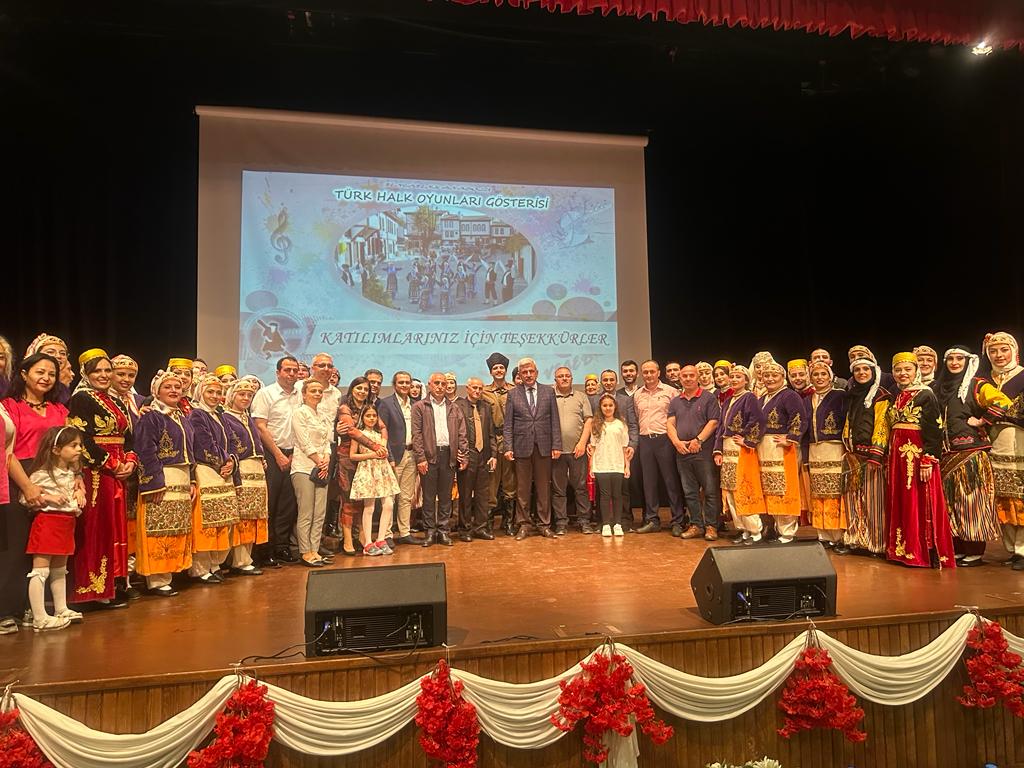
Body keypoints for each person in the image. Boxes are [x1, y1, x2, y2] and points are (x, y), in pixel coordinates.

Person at [66, 349, 137, 607]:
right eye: (97, 371)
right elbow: (81, 438)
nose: (104, 375)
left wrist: (130, 460)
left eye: (108, 370)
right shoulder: (81, 399)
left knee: (114, 528)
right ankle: (92, 590)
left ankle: (113, 584)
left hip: (117, 473)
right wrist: (112, 463)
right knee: (96, 528)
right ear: (86, 373)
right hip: (95, 473)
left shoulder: (114, 400)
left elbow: (128, 438)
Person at [1, 353, 65, 630]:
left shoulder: (59, 409)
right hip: (18, 476)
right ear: (24, 374)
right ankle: (6, 610)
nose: (46, 378)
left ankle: (34, 607)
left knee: (43, 548)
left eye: (51, 374)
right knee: (16, 547)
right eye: (40, 372)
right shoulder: (10, 406)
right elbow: (7, 451)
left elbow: (69, 447)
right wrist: (27, 486)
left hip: (53, 479)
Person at [935, 345, 1009, 567]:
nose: (955, 363)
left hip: (970, 452)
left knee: (971, 502)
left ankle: (975, 551)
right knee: (951, 504)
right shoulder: (940, 387)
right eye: (951, 359)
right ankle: (958, 548)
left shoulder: (977, 384)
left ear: (968, 361)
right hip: (946, 453)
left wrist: (982, 420)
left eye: (960, 358)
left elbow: (1003, 402)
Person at [884, 352, 956, 568]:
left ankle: (920, 552)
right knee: (900, 500)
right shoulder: (897, 395)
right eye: (898, 370)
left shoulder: (926, 394)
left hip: (916, 455)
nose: (902, 374)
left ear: (916, 371)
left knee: (917, 499)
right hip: (897, 456)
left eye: (907, 369)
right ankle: (901, 550)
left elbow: (935, 429)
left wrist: (928, 459)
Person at [134, 370, 195, 596]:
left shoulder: (182, 418)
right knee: (159, 529)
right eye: (168, 387)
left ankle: (170, 573)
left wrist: (192, 480)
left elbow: (190, 452)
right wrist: (154, 483)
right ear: (156, 391)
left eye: (177, 387)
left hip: (181, 479)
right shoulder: (151, 417)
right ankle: (157, 579)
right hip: (162, 479)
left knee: (176, 528)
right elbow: (145, 450)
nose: (174, 390)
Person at [23, 425, 86, 631]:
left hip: (66, 523)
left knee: (59, 569)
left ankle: (61, 608)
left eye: (80, 445)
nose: (79, 449)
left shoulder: (72, 474)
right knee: (40, 570)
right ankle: (39, 617)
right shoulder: (42, 474)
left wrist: (79, 494)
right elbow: (25, 497)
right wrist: (48, 497)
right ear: (56, 449)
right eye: (73, 445)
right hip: (48, 522)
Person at [187, 375, 240, 583]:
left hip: (223, 473)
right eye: (210, 392)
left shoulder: (220, 415)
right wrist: (223, 461)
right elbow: (203, 444)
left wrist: (232, 461)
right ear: (201, 392)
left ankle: (216, 563)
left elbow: (232, 442)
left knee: (223, 520)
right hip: (206, 471)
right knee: (207, 522)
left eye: (219, 392)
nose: (215, 396)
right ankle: (201, 568)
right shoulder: (197, 415)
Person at [251, 356, 301, 565]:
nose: (291, 374)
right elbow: (260, 426)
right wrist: (278, 454)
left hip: (295, 454)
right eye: (287, 370)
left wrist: (293, 453)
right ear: (278, 372)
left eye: (295, 370)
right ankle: (265, 550)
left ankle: (282, 547)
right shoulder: (266, 394)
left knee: (288, 505)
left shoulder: (301, 394)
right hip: (272, 454)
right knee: (270, 503)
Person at [503, 358, 561, 540]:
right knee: (523, 489)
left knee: (544, 488)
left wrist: (556, 445)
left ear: (536, 372)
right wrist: (508, 447)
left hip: (544, 446)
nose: (528, 375)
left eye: (531, 371)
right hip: (521, 447)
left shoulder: (548, 392)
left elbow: (555, 420)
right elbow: (508, 424)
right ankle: (524, 524)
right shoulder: (513, 394)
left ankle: (544, 525)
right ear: (519, 375)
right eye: (524, 372)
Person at [841, 355, 892, 556]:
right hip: (853, 454)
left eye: (865, 369)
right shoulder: (852, 394)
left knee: (874, 502)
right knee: (854, 501)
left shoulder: (881, 395)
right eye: (857, 370)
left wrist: (876, 453)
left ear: (873, 372)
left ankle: (876, 544)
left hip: (872, 455)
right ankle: (855, 540)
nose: (861, 373)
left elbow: (882, 425)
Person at [982, 331, 1024, 570]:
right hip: (993, 441)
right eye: (993, 351)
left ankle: (1022, 549)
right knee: (1002, 494)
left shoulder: (1022, 376)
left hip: (1019, 439)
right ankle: (1012, 548)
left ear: (1014, 351)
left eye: (1004, 350)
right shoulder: (985, 380)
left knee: (1020, 494)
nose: (999, 355)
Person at [412, 372, 468, 546]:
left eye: (443, 384)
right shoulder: (420, 407)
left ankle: (443, 531)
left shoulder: (454, 407)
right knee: (429, 497)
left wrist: (463, 454)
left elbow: (462, 433)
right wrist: (420, 458)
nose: (440, 387)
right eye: (436, 383)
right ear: (429, 385)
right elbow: (416, 434)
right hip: (429, 456)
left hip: (449, 455)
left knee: (445, 496)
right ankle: (430, 531)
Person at [334, 376, 388, 554]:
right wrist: (375, 447)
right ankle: (347, 540)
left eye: (366, 389)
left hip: (367, 460)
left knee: (365, 500)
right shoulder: (345, 408)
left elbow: (383, 427)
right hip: (348, 459)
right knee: (348, 500)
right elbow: (351, 431)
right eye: (359, 388)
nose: (362, 392)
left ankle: (363, 538)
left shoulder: (368, 407)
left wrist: (383, 444)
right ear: (352, 389)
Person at [667, 365, 721, 542]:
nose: (688, 378)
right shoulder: (676, 401)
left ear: (697, 377)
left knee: (710, 490)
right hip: (682, 451)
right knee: (689, 492)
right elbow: (670, 424)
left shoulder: (708, 398)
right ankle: (696, 525)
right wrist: (676, 442)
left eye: (691, 375)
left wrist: (698, 440)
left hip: (703, 451)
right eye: (684, 376)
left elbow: (713, 422)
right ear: (680, 378)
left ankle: (711, 526)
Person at [713, 365, 766, 544]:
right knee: (730, 491)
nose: (734, 380)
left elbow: (758, 420)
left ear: (746, 380)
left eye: (738, 377)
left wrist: (748, 440)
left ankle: (755, 531)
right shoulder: (728, 400)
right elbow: (721, 427)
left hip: (741, 450)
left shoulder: (749, 397)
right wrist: (718, 450)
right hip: (728, 449)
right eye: (732, 377)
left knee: (744, 489)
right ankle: (743, 529)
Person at [633, 360, 686, 535]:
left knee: (671, 481)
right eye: (645, 372)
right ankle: (652, 520)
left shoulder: (671, 392)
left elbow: (678, 417)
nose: (648, 375)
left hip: (665, 440)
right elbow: (637, 417)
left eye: (652, 371)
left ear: (658, 373)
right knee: (648, 482)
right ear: (642, 374)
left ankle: (678, 520)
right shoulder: (637, 394)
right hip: (645, 441)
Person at [221, 378, 267, 575]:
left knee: (254, 515)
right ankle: (239, 560)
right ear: (232, 396)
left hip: (257, 470)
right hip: (243, 469)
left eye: (249, 395)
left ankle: (246, 557)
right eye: (242, 394)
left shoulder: (247, 417)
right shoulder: (226, 417)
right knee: (243, 515)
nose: (246, 398)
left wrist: (261, 457)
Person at [757, 362, 807, 544]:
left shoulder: (789, 395)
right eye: (766, 376)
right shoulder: (763, 398)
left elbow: (799, 418)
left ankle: (787, 532)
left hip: (781, 448)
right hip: (764, 448)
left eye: (774, 375)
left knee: (783, 488)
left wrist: (791, 438)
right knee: (769, 489)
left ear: (782, 377)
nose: (770, 379)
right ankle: (774, 528)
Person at [806, 361, 848, 549]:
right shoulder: (808, 399)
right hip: (814, 449)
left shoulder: (840, 395)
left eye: (823, 374)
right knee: (818, 492)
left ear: (830, 376)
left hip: (834, 447)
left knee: (833, 492)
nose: (820, 377)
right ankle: (822, 534)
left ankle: (837, 535)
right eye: (815, 374)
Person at [291, 378, 332, 567]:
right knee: (306, 511)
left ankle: (315, 549)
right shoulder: (299, 413)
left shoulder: (323, 415)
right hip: (304, 467)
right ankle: (305, 551)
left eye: (319, 391)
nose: (317, 394)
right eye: (313, 391)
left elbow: (327, 441)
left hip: (322, 467)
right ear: (304, 394)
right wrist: (318, 460)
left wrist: (327, 459)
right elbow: (304, 441)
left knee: (320, 512)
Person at [349, 404, 399, 556]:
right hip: (367, 470)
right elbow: (352, 455)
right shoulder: (359, 434)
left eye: (374, 416)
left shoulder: (380, 434)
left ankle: (381, 539)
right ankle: (368, 543)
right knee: (369, 507)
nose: (371, 418)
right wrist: (371, 455)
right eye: (368, 416)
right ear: (362, 417)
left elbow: (384, 447)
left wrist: (384, 454)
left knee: (389, 504)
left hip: (383, 470)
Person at [377, 371, 420, 545]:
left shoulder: (416, 404)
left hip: (412, 454)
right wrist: (389, 456)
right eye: (401, 382)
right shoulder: (386, 404)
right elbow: (382, 432)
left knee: (406, 496)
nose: (404, 385)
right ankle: (387, 534)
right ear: (394, 385)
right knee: (390, 497)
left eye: (407, 382)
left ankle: (404, 532)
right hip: (394, 456)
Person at [552, 367, 593, 534]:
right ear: (555, 380)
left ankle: (584, 521)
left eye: (567, 376)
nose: (564, 378)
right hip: (556, 452)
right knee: (558, 490)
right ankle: (561, 523)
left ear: (572, 378)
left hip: (578, 450)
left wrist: (582, 443)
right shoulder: (549, 397)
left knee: (581, 488)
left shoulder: (581, 397)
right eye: (560, 376)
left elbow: (589, 421)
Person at [455, 377, 497, 541]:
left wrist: (493, 455)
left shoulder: (486, 407)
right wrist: (457, 452)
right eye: (474, 387)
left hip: (484, 456)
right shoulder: (458, 406)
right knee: (465, 495)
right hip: (467, 455)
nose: (477, 391)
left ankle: (480, 527)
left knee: (482, 495)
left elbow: (491, 433)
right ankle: (464, 529)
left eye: (480, 388)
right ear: (467, 388)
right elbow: (455, 432)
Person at [599, 369, 639, 530]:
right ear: (601, 382)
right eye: (605, 380)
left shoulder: (626, 400)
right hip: (603, 452)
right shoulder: (595, 400)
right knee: (603, 492)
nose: (608, 382)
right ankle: (603, 522)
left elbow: (633, 424)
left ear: (616, 382)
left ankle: (624, 520)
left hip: (622, 449)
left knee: (623, 489)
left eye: (611, 380)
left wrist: (632, 445)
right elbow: (593, 424)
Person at [481, 353, 517, 535]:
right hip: (492, 440)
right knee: (491, 483)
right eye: (495, 368)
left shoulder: (515, 390)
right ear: (491, 372)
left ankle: (508, 522)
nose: (499, 370)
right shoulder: (484, 392)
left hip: (511, 440)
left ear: (506, 370)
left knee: (510, 482)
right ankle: (488, 523)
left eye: (501, 367)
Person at [588, 393, 630, 537]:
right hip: (602, 464)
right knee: (605, 495)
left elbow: (624, 447)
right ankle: (606, 524)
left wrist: (627, 466)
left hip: (617, 464)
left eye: (610, 405)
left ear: (615, 407)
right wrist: (591, 465)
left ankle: (617, 524)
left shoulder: (621, 424)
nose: (607, 408)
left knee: (617, 494)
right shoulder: (596, 424)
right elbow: (593, 447)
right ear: (600, 407)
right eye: (604, 405)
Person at [25, 333, 73, 404]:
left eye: (63, 353)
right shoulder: (22, 385)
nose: (58, 356)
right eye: (50, 352)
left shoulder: (63, 388)